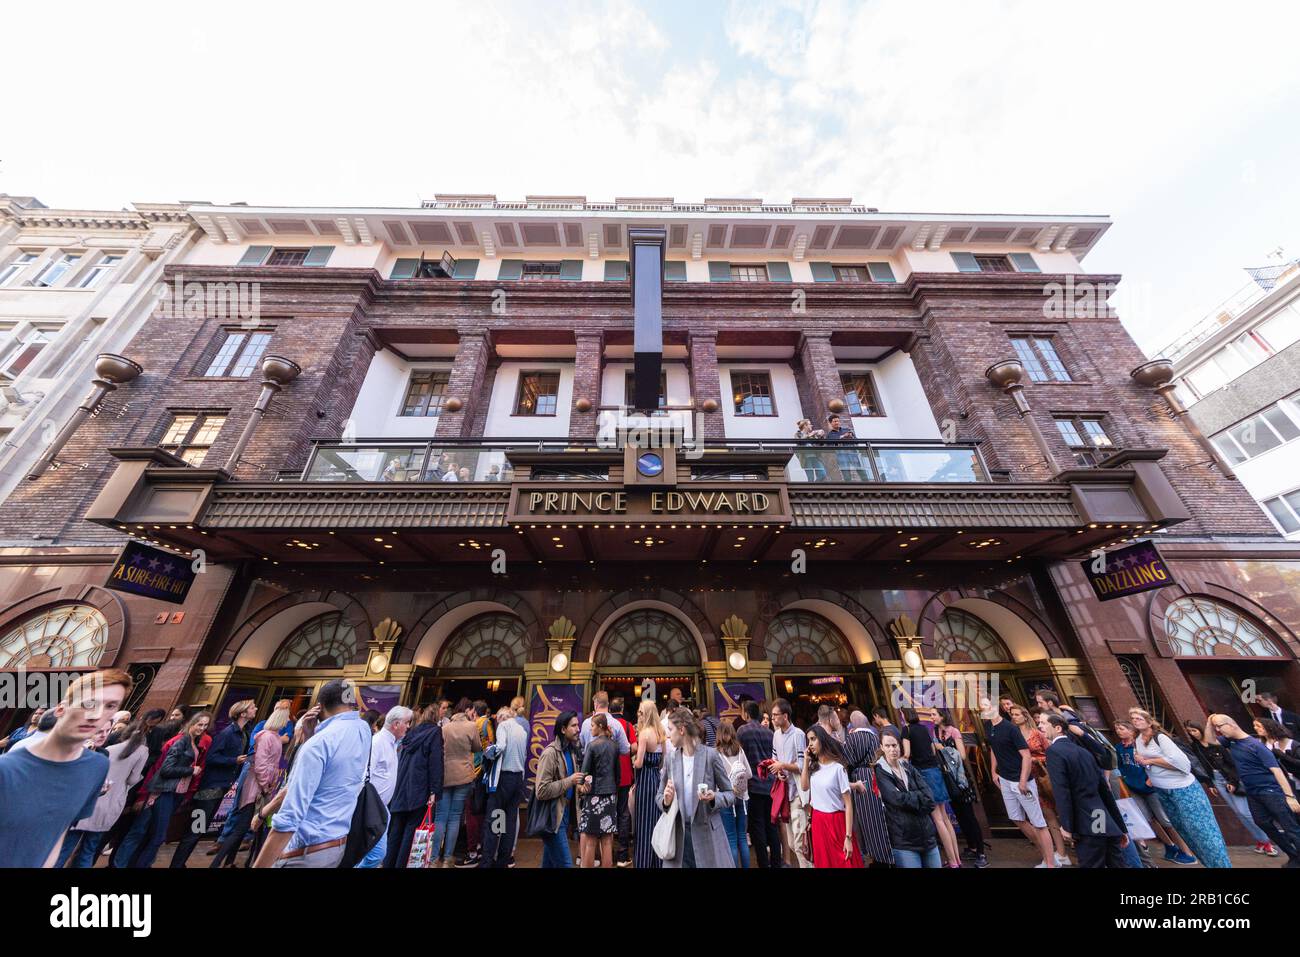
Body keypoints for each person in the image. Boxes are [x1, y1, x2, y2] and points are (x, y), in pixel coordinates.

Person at [0, 669, 129, 867]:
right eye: (89, 702)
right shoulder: (8, 768)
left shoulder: (97, 766)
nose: (96, 715)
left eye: (110, 706)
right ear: (61, 709)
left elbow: (58, 831)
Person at [254, 680, 370, 868]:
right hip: (336, 843)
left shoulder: (318, 745)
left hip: (305, 850)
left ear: (319, 707)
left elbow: (290, 815)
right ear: (350, 702)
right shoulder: (362, 729)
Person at [1129, 707, 1230, 868]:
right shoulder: (1139, 740)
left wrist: (1150, 761)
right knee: (1186, 832)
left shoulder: (1160, 737)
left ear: (1149, 721)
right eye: (1133, 719)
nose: (1135, 721)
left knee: (1203, 831)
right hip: (1162, 790)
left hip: (1184, 789)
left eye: (1139, 718)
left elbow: (1182, 764)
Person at [115, 710, 212, 868]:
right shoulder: (180, 741)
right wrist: (190, 770)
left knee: (147, 833)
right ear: (191, 723)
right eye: (199, 724)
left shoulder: (195, 742)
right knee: (144, 832)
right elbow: (162, 768)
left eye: (206, 725)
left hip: (173, 793)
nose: (202, 728)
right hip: (161, 792)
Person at [170, 698, 255, 868]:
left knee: (200, 829)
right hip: (209, 790)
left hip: (221, 787)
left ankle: (180, 862)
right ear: (243, 713)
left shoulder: (244, 733)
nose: (255, 709)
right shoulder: (227, 733)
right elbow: (211, 757)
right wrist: (234, 760)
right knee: (196, 829)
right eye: (252, 707)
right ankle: (177, 864)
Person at [1038, 712, 1129, 867]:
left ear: (1058, 728)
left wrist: (1067, 825)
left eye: (1043, 723)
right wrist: (1121, 827)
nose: (1040, 726)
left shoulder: (1054, 751)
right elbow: (1104, 790)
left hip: (1087, 822)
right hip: (1103, 819)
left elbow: (1062, 790)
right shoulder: (1084, 751)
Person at [1209, 713, 1300, 867]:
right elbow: (1209, 740)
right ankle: (1294, 855)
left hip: (1270, 791)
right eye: (1216, 727)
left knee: (1289, 826)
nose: (1218, 730)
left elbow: (1277, 771)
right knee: (1262, 822)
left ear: (1231, 725)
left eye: (1220, 727)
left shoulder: (1256, 745)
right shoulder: (1231, 742)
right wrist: (1210, 722)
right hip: (1253, 792)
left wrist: (1290, 797)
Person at [59, 718, 151, 867]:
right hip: (111, 804)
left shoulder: (109, 749)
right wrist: (139, 776)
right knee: (88, 850)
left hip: (90, 803)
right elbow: (133, 779)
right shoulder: (143, 751)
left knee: (66, 848)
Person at [1182, 719, 1276, 856]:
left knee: (1245, 812)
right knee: (1238, 813)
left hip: (1229, 777)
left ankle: (1267, 841)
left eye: (1194, 730)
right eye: (1190, 731)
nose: (1193, 733)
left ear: (1201, 729)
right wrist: (1210, 784)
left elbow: (1231, 762)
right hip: (1216, 779)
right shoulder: (1195, 747)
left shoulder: (1216, 743)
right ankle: (1260, 840)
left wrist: (1233, 780)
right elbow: (1202, 767)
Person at [655, 708, 735, 868]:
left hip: (708, 836)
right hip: (678, 836)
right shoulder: (671, 759)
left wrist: (714, 798)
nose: (668, 735)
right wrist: (666, 800)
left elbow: (730, 794)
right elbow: (659, 797)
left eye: (670, 729)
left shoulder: (711, 755)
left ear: (682, 729)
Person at [211, 706, 289, 868]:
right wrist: (265, 785)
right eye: (286, 718)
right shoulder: (267, 736)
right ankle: (217, 863)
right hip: (256, 787)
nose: (288, 722)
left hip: (261, 786)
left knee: (244, 825)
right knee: (241, 827)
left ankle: (229, 862)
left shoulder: (273, 737)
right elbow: (261, 764)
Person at [981, 697, 1055, 867]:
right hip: (1005, 779)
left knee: (1039, 822)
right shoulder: (987, 727)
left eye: (985, 706)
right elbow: (994, 748)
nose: (983, 710)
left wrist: (1023, 781)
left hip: (1021, 779)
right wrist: (993, 771)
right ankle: (1045, 854)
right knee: (1016, 818)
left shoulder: (1010, 728)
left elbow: (1026, 756)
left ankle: (1051, 863)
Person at [1113, 719, 1197, 864]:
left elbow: (1155, 760)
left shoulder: (1141, 745)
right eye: (1117, 729)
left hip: (1150, 787)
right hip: (1133, 787)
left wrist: (1151, 777)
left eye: (1122, 728)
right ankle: (1170, 846)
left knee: (1164, 819)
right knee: (1148, 819)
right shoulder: (1119, 747)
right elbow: (1121, 767)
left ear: (1131, 730)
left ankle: (1186, 852)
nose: (1118, 731)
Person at [1010, 704, 1070, 866]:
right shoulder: (1013, 735)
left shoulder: (1037, 733)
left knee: (1062, 812)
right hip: (1029, 779)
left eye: (1017, 714)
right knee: (1047, 816)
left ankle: (1069, 849)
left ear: (1025, 715)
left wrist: (1038, 760)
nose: (1014, 717)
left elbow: (1052, 753)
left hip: (1045, 777)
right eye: (1012, 714)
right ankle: (1059, 852)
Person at [901, 708, 961, 867]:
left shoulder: (906, 730)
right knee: (945, 818)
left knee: (938, 819)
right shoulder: (923, 729)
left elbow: (906, 754)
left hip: (924, 774)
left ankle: (953, 862)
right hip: (936, 771)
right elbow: (933, 750)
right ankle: (956, 859)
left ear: (904, 715)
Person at [383, 704, 440, 868]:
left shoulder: (411, 734)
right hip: (419, 788)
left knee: (395, 831)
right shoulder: (434, 732)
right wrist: (434, 790)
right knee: (410, 831)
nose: (407, 726)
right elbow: (435, 762)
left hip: (400, 787)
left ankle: (389, 864)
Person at [799, 724, 863, 868]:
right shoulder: (813, 768)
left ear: (822, 739)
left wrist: (848, 837)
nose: (810, 744)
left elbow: (848, 805)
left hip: (837, 822)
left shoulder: (838, 768)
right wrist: (805, 762)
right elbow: (804, 786)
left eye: (813, 739)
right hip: (818, 822)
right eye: (808, 740)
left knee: (845, 862)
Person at [875, 729, 942, 867]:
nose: (892, 749)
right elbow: (896, 799)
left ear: (900, 746)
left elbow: (929, 799)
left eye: (894, 745)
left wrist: (910, 797)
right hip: (905, 841)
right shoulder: (880, 771)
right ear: (882, 747)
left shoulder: (908, 767)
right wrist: (917, 795)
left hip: (927, 837)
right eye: (887, 746)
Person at [356, 705, 408, 868]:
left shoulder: (392, 743)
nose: (408, 726)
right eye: (407, 723)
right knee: (373, 854)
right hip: (370, 808)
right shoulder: (378, 742)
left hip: (379, 808)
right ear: (396, 724)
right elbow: (363, 773)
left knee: (373, 854)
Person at [431, 698, 481, 867]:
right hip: (463, 776)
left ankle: (433, 858)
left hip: (444, 776)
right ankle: (447, 858)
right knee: (454, 817)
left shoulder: (444, 728)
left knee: (440, 817)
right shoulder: (471, 727)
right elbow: (477, 747)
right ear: (468, 711)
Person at [534, 710, 584, 868]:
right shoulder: (550, 753)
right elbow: (541, 790)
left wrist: (580, 785)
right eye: (574, 726)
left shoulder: (571, 751)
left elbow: (571, 781)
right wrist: (569, 781)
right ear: (563, 729)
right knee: (565, 863)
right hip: (553, 817)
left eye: (578, 725)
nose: (578, 729)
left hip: (565, 813)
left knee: (548, 864)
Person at [843, 710, 892, 865]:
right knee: (879, 816)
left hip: (860, 778)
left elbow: (847, 760)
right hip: (875, 775)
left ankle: (874, 856)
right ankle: (885, 854)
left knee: (866, 819)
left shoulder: (852, 738)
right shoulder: (874, 736)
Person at [481, 704, 527, 868]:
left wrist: (487, 751)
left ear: (500, 717)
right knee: (509, 821)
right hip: (517, 780)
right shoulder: (522, 730)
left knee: (494, 819)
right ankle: (502, 861)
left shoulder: (503, 726)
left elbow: (500, 747)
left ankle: (487, 862)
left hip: (503, 779)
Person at [737, 700, 782, 867]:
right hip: (770, 784)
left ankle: (764, 863)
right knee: (772, 825)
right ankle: (776, 862)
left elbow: (739, 755)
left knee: (757, 826)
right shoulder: (769, 733)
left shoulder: (742, 731)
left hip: (754, 785)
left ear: (746, 714)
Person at [770, 698, 812, 868]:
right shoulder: (775, 735)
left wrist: (783, 765)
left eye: (775, 715)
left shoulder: (798, 735)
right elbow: (774, 758)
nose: (772, 718)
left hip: (797, 795)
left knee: (800, 842)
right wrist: (778, 769)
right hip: (783, 794)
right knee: (792, 843)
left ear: (785, 716)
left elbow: (802, 766)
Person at [578, 713, 618, 868]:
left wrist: (581, 787)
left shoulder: (592, 746)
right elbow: (618, 773)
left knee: (590, 840)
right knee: (607, 840)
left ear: (600, 726)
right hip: (610, 795)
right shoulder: (614, 745)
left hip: (594, 794)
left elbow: (585, 772)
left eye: (593, 725)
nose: (590, 728)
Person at [632, 699, 664, 869]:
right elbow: (663, 760)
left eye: (640, 712)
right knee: (657, 821)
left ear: (646, 714)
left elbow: (639, 762)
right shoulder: (661, 732)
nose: (638, 715)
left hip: (644, 780)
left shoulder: (644, 734)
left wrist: (633, 761)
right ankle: (658, 862)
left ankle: (644, 861)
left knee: (644, 822)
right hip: (657, 779)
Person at [715, 720, 752, 867]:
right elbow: (749, 773)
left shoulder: (716, 753)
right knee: (742, 838)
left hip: (726, 798)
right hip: (743, 798)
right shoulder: (740, 750)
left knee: (731, 839)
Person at [607, 696, 636, 866]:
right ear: (622, 709)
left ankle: (605, 853)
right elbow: (633, 747)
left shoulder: (605, 724)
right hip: (624, 774)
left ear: (610, 709)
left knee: (608, 811)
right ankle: (622, 855)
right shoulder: (627, 725)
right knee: (623, 813)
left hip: (607, 776)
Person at [1257, 718, 1300, 783]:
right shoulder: (1267, 744)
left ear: (1270, 727)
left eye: (1259, 726)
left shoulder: (1292, 744)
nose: (1256, 728)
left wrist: (1283, 755)